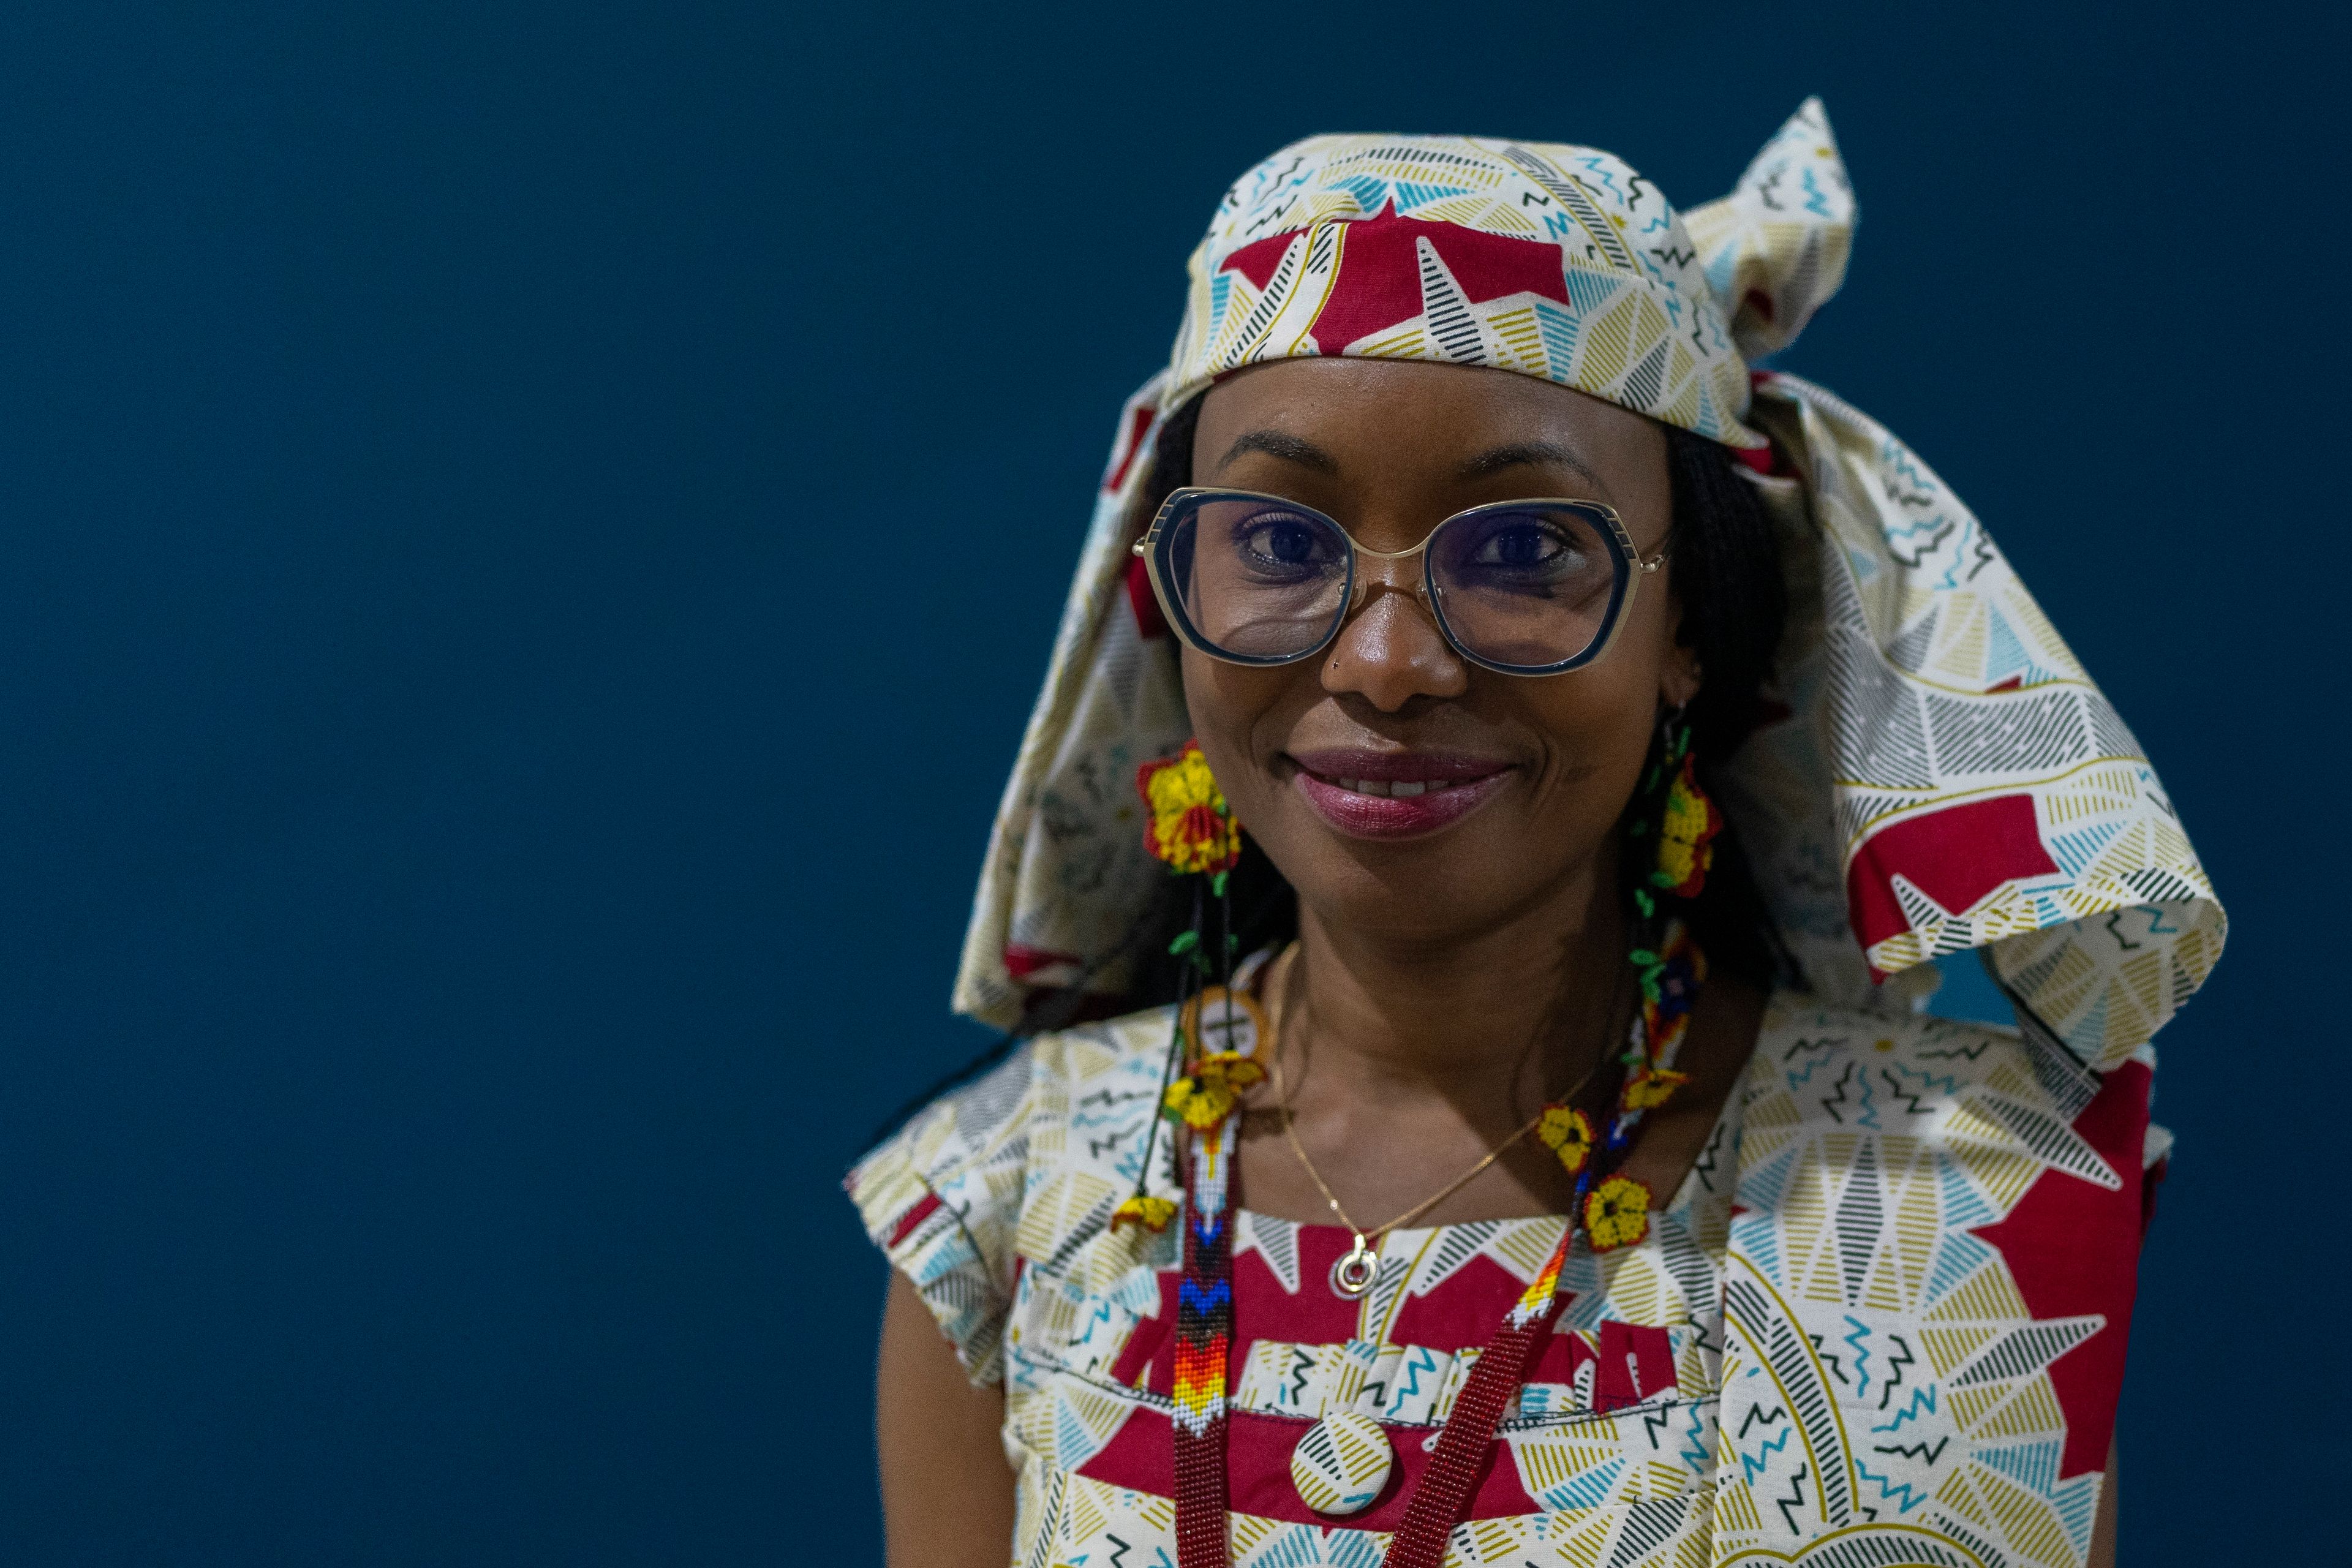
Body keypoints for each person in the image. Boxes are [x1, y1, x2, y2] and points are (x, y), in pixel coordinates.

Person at [847, 103, 2222, 1568]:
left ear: (1684, 622)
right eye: (1277, 541)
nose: (1386, 663)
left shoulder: (1961, 1211)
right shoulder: (999, 1213)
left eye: (1522, 551)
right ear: (1171, 588)